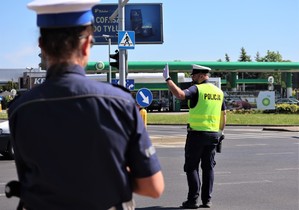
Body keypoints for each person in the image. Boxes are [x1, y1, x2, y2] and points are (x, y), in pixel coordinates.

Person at [7, 0, 164, 209]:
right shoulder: (121, 103)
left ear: (42, 46)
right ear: (86, 44)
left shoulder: (20, 108)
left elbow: (29, 178)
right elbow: (153, 187)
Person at [163, 64, 226, 208]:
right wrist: (221, 133)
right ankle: (207, 200)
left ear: (201, 75)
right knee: (208, 168)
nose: (192, 77)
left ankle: (192, 201)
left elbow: (179, 95)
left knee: (191, 167)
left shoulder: (197, 89)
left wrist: (167, 79)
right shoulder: (219, 92)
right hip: (213, 135)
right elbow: (224, 115)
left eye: (194, 75)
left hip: (197, 134)